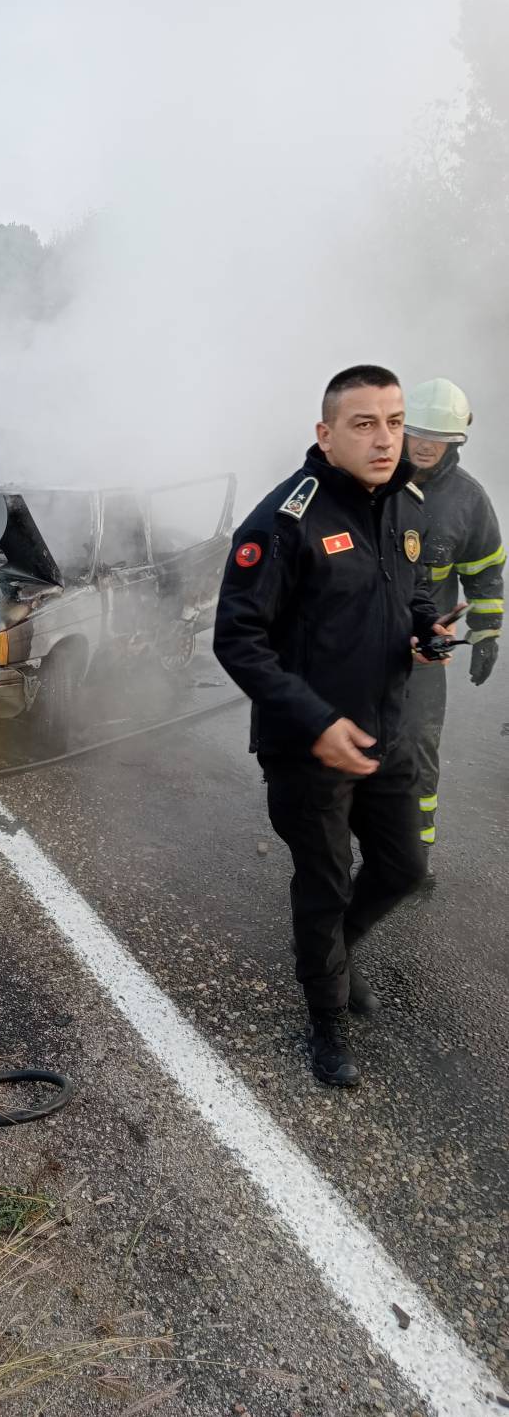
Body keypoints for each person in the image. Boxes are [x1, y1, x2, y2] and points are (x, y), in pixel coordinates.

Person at [214, 365, 452, 1088]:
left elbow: (406, 595)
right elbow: (238, 638)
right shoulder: (285, 520)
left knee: (405, 869)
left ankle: (336, 959)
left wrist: (425, 631)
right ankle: (326, 1025)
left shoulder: (406, 506)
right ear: (325, 434)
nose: (387, 439)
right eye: (364, 424)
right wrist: (315, 723)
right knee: (322, 885)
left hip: (385, 729)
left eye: (395, 421)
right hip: (307, 746)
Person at [400, 378, 502, 876]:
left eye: (435, 437)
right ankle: (341, 846)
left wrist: (486, 634)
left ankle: (416, 854)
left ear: (455, 441)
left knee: (418, 742)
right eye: (416, 432)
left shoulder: (468, 501)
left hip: (427, 647)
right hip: (361, 639)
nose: (422, 445)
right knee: (352, 738)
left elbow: (485, 573)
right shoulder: (372, 477)